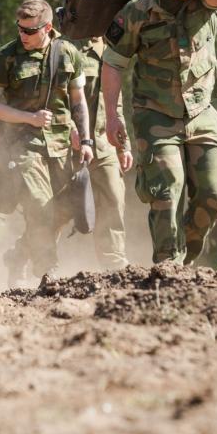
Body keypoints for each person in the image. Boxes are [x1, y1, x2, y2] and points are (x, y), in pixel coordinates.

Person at [101, 0, 217, 266]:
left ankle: (187, 254)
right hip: (155, 113)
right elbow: (113, 64)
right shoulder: (139, 10)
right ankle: (168, 268)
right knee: (166, 193)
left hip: (202, 110)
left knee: (216, 190)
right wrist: (111, 116)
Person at [0, 0, 92, 287]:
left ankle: (18, 254)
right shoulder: (5, 57)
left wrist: (86, 137)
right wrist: (27, 118)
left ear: (48, 27)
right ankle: (48, 273)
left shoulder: (68, 53)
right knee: (40, 207)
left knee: (64, 210)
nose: (23, 36)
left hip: (60, 146)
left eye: (30, 31)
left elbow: (78, 100)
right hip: (22, 145)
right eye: (20, 29)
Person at [74, 37, 134, 269]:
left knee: (113, 199)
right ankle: (27, 256)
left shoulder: (110, 49)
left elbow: (114, 103)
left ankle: (114, 265)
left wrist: (122, 145)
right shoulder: (65, 46)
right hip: (72, 143)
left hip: (103, 142)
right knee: (59, 209)